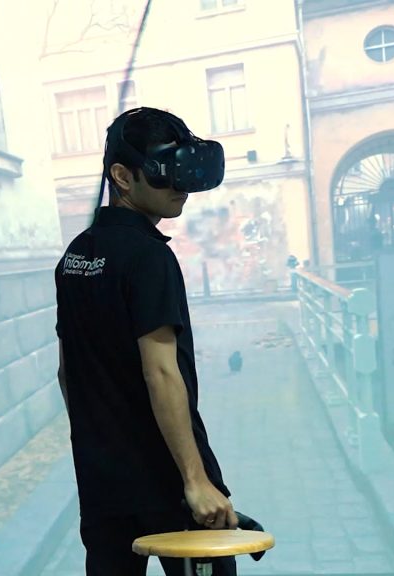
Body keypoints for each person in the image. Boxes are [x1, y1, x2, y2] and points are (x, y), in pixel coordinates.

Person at [55, 107, 237, 576]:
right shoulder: (149, 257)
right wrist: (195, 479)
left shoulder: (74, 256)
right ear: (122, 176)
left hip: (102, 483)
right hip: (166, 477)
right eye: (164, 171)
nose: (180, 187)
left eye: (184, 169)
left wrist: (101, 441)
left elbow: (67, 373)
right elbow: (161, 371)